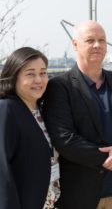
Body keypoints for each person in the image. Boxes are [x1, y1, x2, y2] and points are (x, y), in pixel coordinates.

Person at [43, 20, 112, 209]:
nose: (97, 45)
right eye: (90, 40)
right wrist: (109, 160)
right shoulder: (60, 86)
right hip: (79, 193)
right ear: (75, 44)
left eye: (102, 40)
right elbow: (64, 138)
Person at [0, 47, 60, 209]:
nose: (39, 80)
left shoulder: (42, 109)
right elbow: (2, 171)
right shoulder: (6, 109)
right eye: (30, 74)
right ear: (14, 77)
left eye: (43, 73)